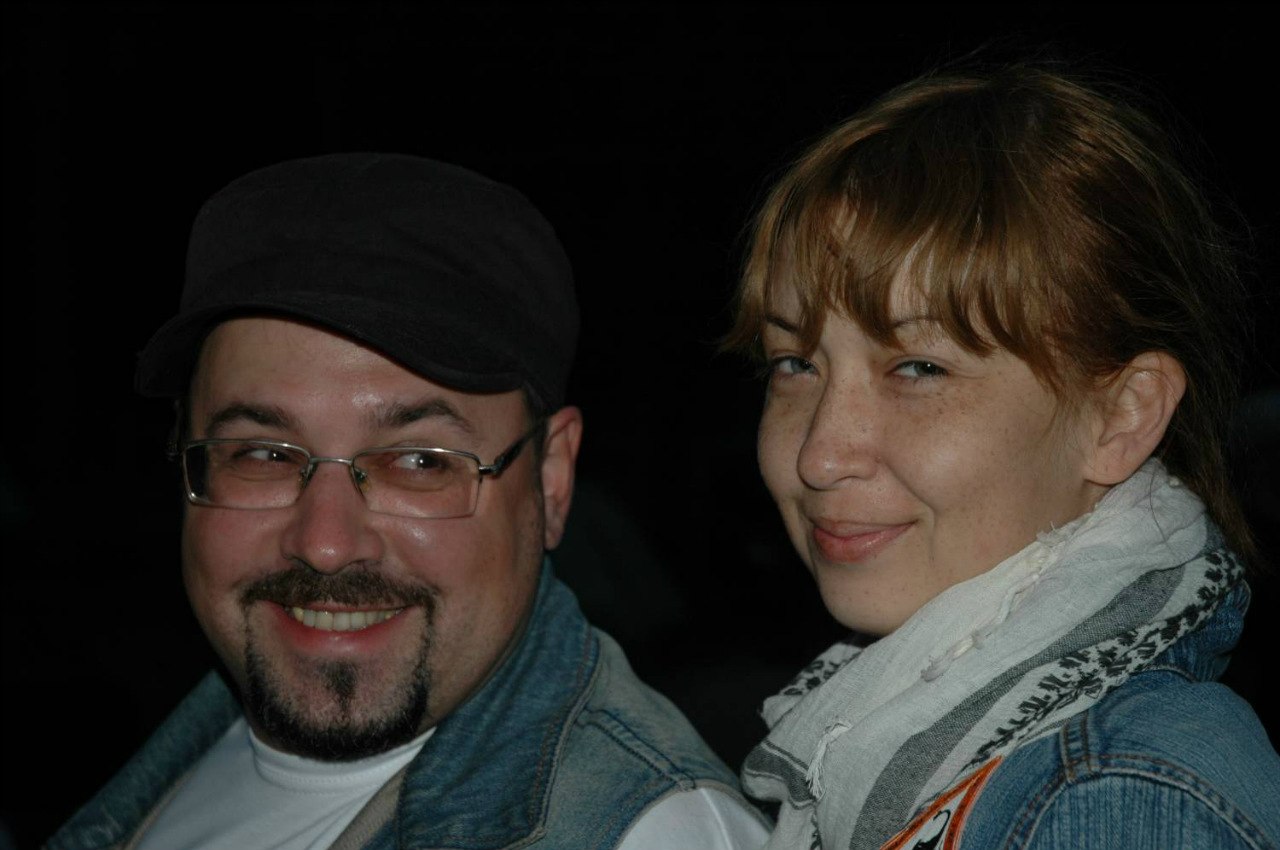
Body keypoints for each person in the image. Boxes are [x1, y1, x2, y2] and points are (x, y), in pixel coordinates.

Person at [49, 153, 769, 849]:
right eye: (263, 455)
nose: (326, 544)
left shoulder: (644, 834)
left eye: (419, 462)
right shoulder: (193, 743)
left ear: (551, 480)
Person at [725, 65, 1280, 849]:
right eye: (794, 363)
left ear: (1120, 416)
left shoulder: (1112, 801)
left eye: (919, 368)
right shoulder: (894, 746)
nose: (820, 455)